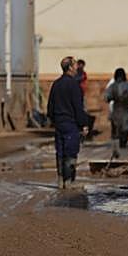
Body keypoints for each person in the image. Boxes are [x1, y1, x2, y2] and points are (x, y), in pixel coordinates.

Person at [47, 56, 92, 188]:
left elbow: (50, 106)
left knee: (60, 152)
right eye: (75, 65)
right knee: (71, 152)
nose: (77, 68)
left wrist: (54, 121)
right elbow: (78, 107)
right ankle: (69, 181)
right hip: (71, 124)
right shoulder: (74, 85)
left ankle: (61, 181)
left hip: (59, 123)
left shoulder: (56, 84)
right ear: (71, 68)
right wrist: (84, 124)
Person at [104, 68, 128, 149]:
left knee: (125, 126)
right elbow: (106, 97)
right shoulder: (113, 86)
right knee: (117, 125)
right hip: (117, 107)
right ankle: (119, 142)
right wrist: (113, 97)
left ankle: (123, 142)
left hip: (125, 107)